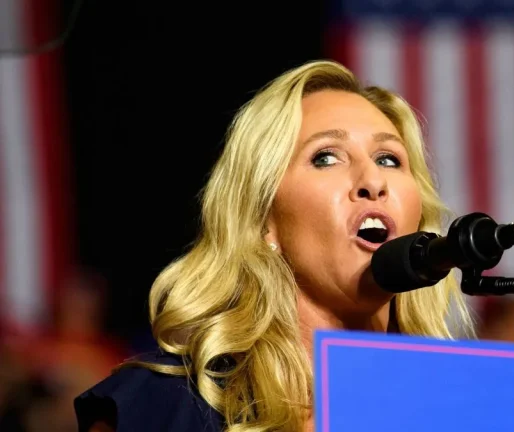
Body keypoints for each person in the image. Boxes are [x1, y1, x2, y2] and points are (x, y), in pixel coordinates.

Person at [74, 60, 474, 431]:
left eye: (388, 159)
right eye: (326, 157)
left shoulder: (463, 406)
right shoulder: (164, 406)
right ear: (264, 219)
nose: (373, 180)